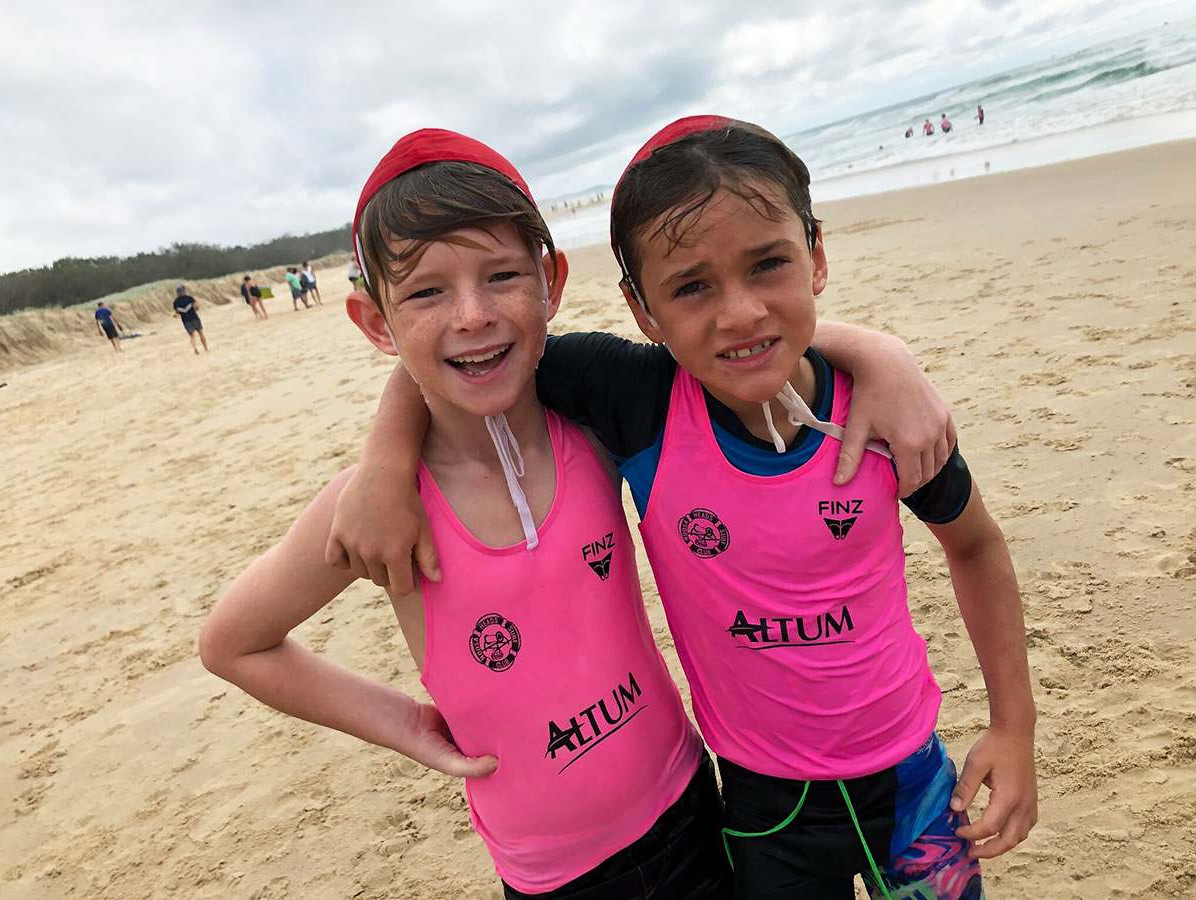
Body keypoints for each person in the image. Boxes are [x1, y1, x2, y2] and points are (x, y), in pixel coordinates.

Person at [334, 117, 1037, 899]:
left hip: (915, 784)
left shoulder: (885, 418)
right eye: (691, 287)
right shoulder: (640, 402)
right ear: (642, 310)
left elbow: (974, 545)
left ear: (818, 258)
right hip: (765, 811)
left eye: (769, 264)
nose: (738, 314)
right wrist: (387, 453)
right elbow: (468, 355)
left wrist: (1015, 727)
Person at [200, 129, 731, 900]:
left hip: (689, 802)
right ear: (374, 321)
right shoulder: (375, 504)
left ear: (550, 282)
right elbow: (234, 644)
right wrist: (408, 726)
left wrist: (877, 358)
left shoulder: (593, 423)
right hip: (555, 876)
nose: (474, 314)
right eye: (426, 291)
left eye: (502, 275)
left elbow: (724, 352)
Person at [173, 285, 208, 355]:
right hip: (194, 317)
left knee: (192, 336)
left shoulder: (175, 302)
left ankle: (195, 349)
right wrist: (194, 310)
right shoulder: (189, 298)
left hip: (186, 320)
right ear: (184, 291)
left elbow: (176, 312)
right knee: (201, 333)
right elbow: (197, 306)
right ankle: (206, 348)